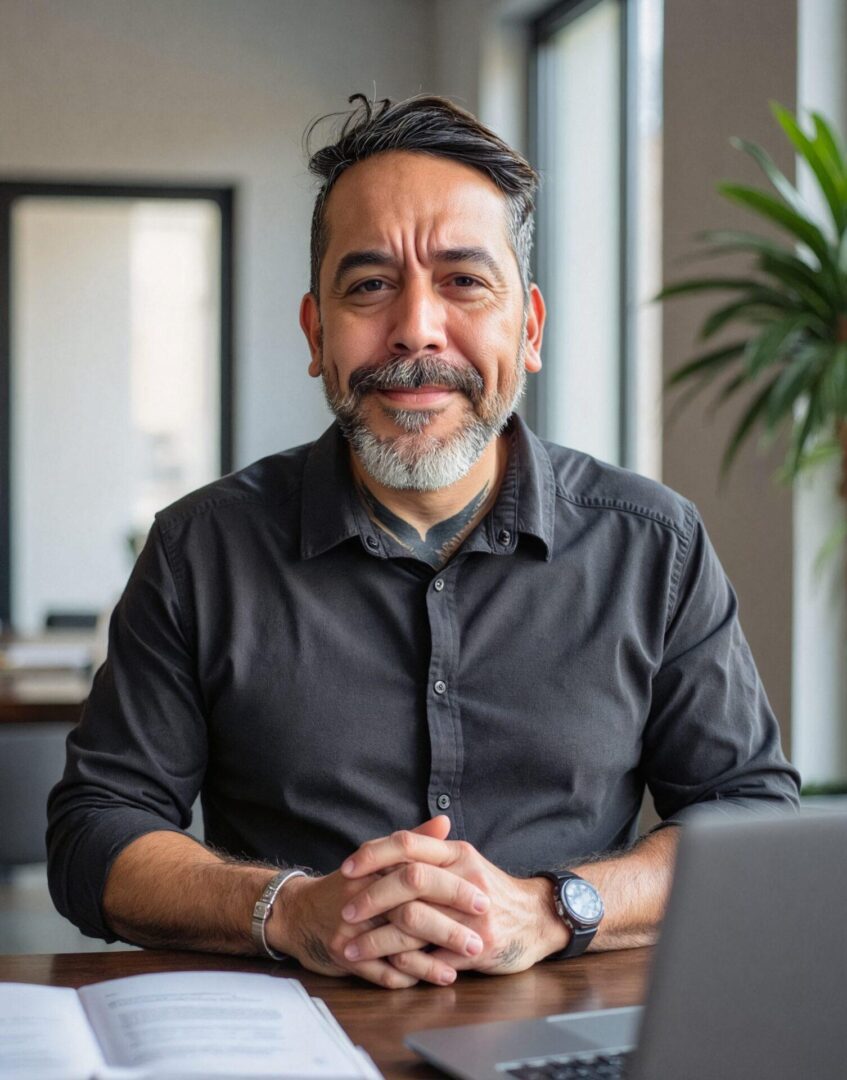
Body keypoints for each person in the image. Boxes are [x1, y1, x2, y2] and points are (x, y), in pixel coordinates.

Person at [47, 94, 800, 990]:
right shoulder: (198, 551)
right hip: (290, 1044)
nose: (414, 328)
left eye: (462, 281)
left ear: (527, 330)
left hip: (564, 1043)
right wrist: (291, 911)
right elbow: (96, 828)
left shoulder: (655, 546)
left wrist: (556, 909)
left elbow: (748, 816)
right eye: (368, 285)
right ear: (316, 333)